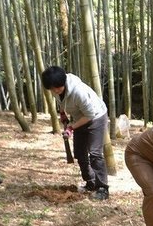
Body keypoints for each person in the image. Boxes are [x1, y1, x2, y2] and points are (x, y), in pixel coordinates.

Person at [41, 66, 110, 201]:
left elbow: (90, 115)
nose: (55, 90)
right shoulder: (55, 89)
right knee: (79, 153)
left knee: (95, 153)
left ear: (63, 82)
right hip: (80, 118)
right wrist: (62, 113)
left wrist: (71, 128)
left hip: (96, 117)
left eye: (57, 87)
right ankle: (90, 182)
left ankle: (102, 188)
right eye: (52, 88)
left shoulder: (79, 92)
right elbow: (61, 101)